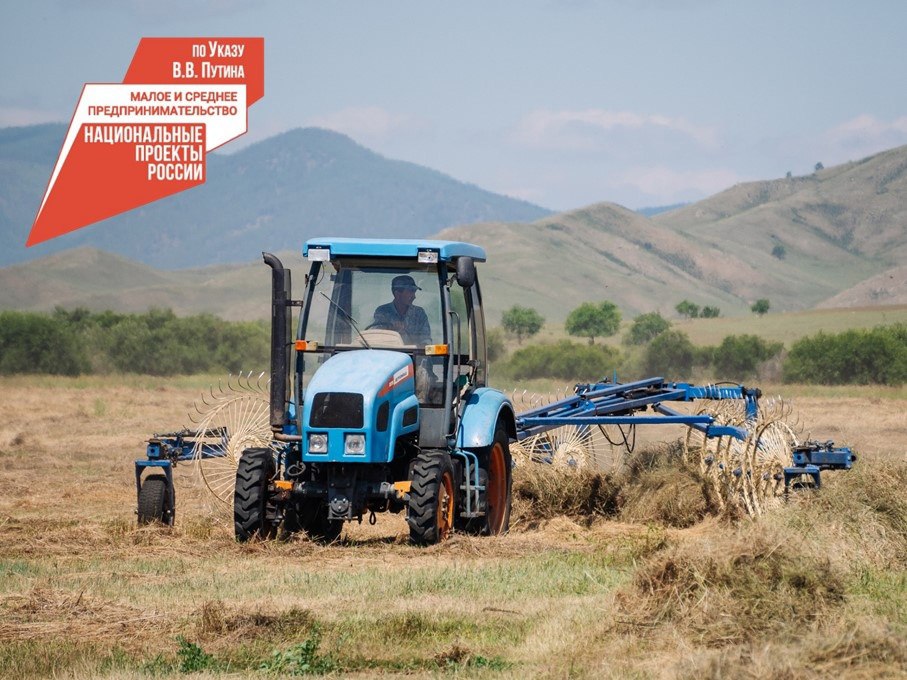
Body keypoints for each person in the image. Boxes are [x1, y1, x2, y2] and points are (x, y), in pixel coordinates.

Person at [371, 275, 432, 346]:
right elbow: (375, 336)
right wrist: (391, 330)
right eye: (410, 292)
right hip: (388, 353)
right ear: (397, 294)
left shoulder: (419, 313)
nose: (414, 296)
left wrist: (422, 347)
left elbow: (426, 339)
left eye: (414, 292)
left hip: (414, 355)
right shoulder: (383, 312)